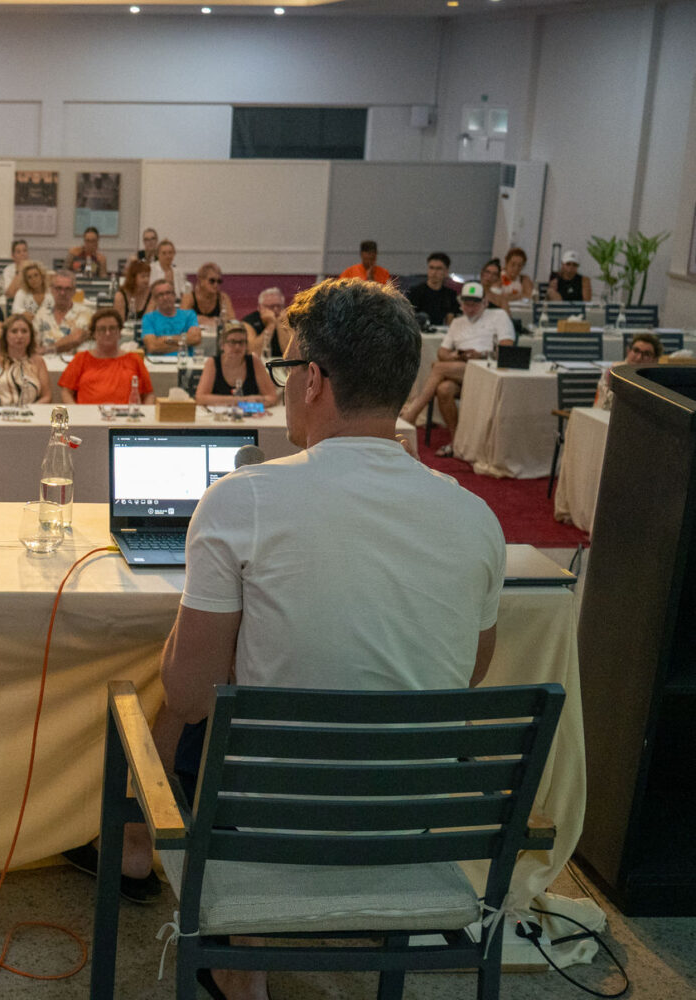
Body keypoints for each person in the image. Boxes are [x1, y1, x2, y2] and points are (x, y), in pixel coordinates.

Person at [144, 278, 503, 1000]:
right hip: (408, 825)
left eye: (284, 370)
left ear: (312, 380)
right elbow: (469, 672)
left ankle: (240, 957)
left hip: (270, 827)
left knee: (171, 722)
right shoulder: (475, 518)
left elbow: (188, 693)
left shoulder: (241, 499)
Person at [398, 281, 515, 456]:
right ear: (461, 303)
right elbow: (442, 352)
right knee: (444, 389)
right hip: (462, 368)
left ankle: (412, 414)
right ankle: (457, 442)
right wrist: (457, 356)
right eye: (467, 304)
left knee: (438, 368)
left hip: (487, 368)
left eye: (475, 304)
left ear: (485, 302)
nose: (470, 308)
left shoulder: (499, 316)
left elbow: (507, 348)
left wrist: (481, 355)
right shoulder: (458, 322)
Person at [58, 308, 151, 405]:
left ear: (120, 332)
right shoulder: (80, 358)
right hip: (88, 413)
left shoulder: (134, 359)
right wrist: (77, 411)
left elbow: (149, 395)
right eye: (102, 329)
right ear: (94, 334)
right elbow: (66, 392)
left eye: (112, 328)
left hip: (125, 413)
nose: (107, 333)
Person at [194, 321, 278, 407]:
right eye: (232, 342)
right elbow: (200, 398)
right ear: (222, 345)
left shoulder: (254, 361)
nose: (237, 347)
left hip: (250, 413)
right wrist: (241, 401)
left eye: (241, 342)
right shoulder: (212, 362)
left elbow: (272, 397)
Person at [0, 313, 50, 407]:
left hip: (30, 412)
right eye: (14, 331)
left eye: (24, 331)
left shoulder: (38, 361)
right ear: (5, 335)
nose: (20, 336)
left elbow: (47, 397)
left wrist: (29, 409)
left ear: (31, 335)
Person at [34, 270, 93, 353]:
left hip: (74, 360)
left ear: (74, 292)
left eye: (68, 289)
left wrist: (46, 350)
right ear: (51, 290)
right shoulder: (42, 314)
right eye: (58, 288)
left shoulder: (86, 313)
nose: (62, 293)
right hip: (45, 360)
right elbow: (34, 344)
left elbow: (76, 339)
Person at [598, 333, 662, 409]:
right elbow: (610, 404)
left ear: (655, 360)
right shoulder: (613, 373)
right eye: (636, 351)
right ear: (628, 351)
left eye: (646, 354)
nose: (639, 358)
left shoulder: (657, 381)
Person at [140, 281, 202, 355]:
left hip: (184, 360)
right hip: (157, 361)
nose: (165, 297)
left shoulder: (189, 315)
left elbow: (196, 339)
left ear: (174, 295)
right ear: (155, 299)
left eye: (168, 293)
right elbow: (152, 347)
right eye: (160, 295)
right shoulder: (148, 318)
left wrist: (165, 340)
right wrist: (185, 342)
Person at [406, 252, 461, 327]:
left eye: (439, 269)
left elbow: (451, 320)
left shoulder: (450, 295)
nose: (434, 272)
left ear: (446, 271)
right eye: (431, 268)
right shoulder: (415, 292)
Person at [182, 263, 235, 330]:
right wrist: (213, 320)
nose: (216, 285)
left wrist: (201, 319)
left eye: (219, 281)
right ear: (201, 281)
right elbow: (182, 321)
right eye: (212, 281)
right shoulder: (189, 297)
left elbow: (232, 321)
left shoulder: (223, 298)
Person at [240, 286, 288, 357]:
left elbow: (290, 352)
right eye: (271, 307)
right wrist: (271, 325)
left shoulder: (289, 319)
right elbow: (253, 352)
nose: (275, 310)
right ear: (260, 307)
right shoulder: (249, 321)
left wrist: (279, 323)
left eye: (279, 306)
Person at [114, 259, 152, 324]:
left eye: (148, 276)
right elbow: (119, 323)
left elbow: (148, 321)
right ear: (133, 278)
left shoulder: (151, 294)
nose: (147, 280)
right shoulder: (120, 296)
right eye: (143, 276)